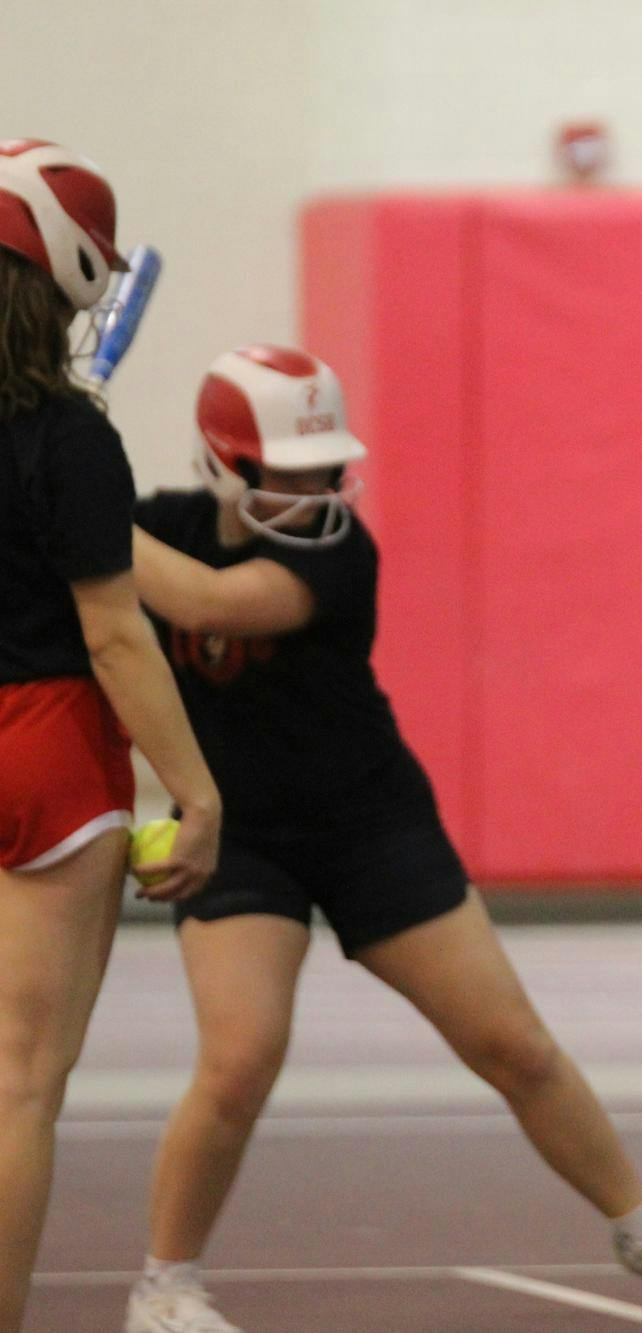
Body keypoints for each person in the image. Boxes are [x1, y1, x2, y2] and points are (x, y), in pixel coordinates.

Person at [122, 346, 642, 1333]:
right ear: (223, 466)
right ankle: (165, 1288)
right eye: (290, 471)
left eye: (326, 466)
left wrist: (74, 514)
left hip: (371, 822)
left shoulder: (335, 552)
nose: (319, 487)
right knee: (239, 1058)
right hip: (236, 835)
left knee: (514, 1046)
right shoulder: (162, 526)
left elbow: (208, 603)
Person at [0, 139, 222, 1333]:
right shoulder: (70, 435)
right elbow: (118, 638)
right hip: (41, 746)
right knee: (18, 1090)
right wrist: (196, 794)